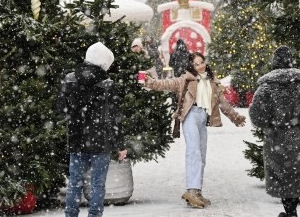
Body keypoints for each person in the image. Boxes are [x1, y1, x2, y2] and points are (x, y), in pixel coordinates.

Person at [142, 52, 246, 209]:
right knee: (194, 152)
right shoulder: (185, 79)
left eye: (201, 62)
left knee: (201, 155)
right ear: (192, 66)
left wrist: (235, 117)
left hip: (203, 118)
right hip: (190, 116)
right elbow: (165, 84)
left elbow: (223, 104)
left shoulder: (212, 82)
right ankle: (191, 190)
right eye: (196, 64)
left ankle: (197, 192)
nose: (200, 66)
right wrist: (150, 82)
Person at [56, 42, 128, 217]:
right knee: (97, 183)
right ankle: (95, 214)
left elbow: (60, 108)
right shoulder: (107, 84)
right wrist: (120, 144)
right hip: (100, 141)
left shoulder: (69, 79)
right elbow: (113, 117)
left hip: (76, 138)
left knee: (75, 183)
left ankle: (70, 214)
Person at [249, 46, 300, 217]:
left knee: (283, 176)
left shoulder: (266, 88)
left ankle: (289, 212)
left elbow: (256, 115)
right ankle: (292, 212)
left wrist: (270, 124)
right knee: (297, 175)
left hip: (277, 138)